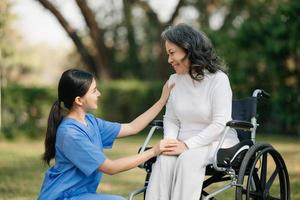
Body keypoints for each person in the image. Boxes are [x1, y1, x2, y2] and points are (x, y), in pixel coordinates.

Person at [38, 69, 177, 200]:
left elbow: (132, 127)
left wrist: (161, 101)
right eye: (94, 91)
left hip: (81, 195)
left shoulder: (90, 122)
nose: (98, 93)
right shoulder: (70, 134)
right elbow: (110, 168)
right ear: (79, 100)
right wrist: (153, 151)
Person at [145, 23, 240, 200]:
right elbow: (172, 119)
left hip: (217, 141)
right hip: (182, 141)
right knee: (164, 159)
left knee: (189, 158)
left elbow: (220, 123)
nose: (169, 60)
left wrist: (188, 145)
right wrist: (171, 142)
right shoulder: (173, 80)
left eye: (172, 53)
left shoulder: (218, 80)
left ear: (188, 49)